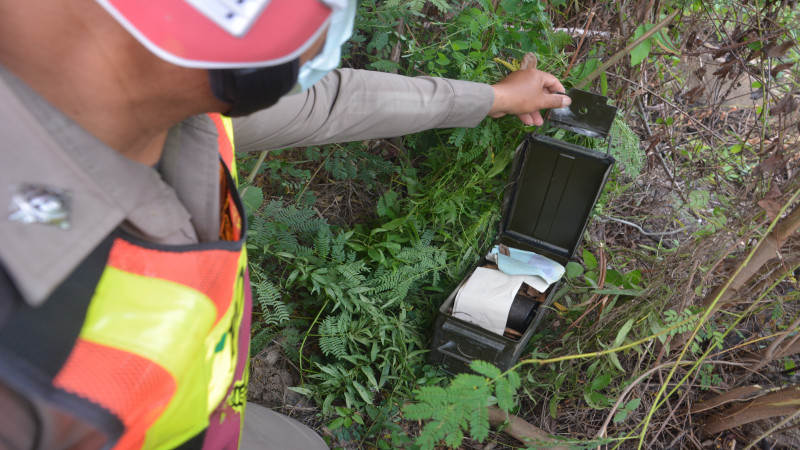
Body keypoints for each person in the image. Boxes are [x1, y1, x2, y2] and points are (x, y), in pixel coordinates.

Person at [0, 0, 570, 448]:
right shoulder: (24, 347)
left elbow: (329, 103)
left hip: (209, 413)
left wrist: (490, 98)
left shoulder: (168, 93)